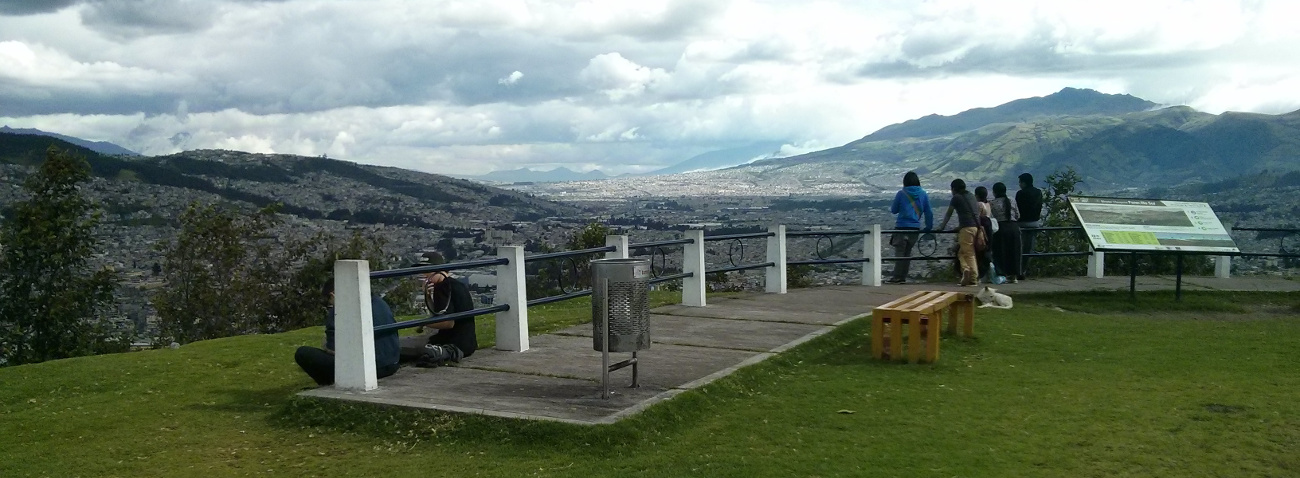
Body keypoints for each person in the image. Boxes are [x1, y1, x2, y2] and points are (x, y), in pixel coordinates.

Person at [295, 280, 401, 386]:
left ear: (332, 295)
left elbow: (334, 349)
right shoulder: (379, 302)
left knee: (302, 353)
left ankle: (327, 384)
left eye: (329, 301)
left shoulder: (339, 310)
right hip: (392, 364)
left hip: (369, 371)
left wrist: (326, 345)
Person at [412, 252, 478, 367]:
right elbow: (438, 314)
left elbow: (447, 323)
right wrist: (427, 296)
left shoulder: (442, 287)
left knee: (405, 346)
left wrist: (422, 323)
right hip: (467, 343)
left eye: (426, 270)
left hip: (453, 343)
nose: (424, 275)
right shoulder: (455, 284)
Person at [887, 171, 933, 284]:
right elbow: (929, 212)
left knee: (899, 253)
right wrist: (929, 227)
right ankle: (903, 277)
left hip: (902, 226)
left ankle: (897, 277)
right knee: (907, 253)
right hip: (915, 228)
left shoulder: (901, 193)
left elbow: (894, 210)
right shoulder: (923, 194)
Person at [937, 178, 981, 286]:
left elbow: (949, 213)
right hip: (976, 227)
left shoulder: (956, 198)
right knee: (962, 252)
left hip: (966, 228)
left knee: (968, 253)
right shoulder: (971, 195)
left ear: (953, 189)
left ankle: (972, 277)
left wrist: (942, 227)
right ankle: (966, 270)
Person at [990, 182, 1022, 283]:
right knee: (1014, 252)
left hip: (1001, 228)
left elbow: (992, 218)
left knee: (1000, 252)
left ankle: (1002, 274)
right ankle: (1014, 276)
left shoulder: (992, 203)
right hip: (1014, 227)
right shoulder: (1012, 200)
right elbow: (1018, 215)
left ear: (994, 192)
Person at [1015, 173, 1045, 280]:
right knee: (1029, 249)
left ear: (1023, 183)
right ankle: (1024, 270)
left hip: (1023, 223)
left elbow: (1019, 210)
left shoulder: (1020, 194)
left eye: (1020, 182)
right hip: (1035, 223)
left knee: (1020, 248)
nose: (1019, 184)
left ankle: (1018, 270)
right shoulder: (1038, 192)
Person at [973, 186, 994, 282]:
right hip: (989, 228)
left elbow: (976, 217)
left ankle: (979, 275)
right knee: (987, 250)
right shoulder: (988, 204)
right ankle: (987, 274)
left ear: (976, 195)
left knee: (978, 251)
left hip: (981, 228)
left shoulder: (979, 205)